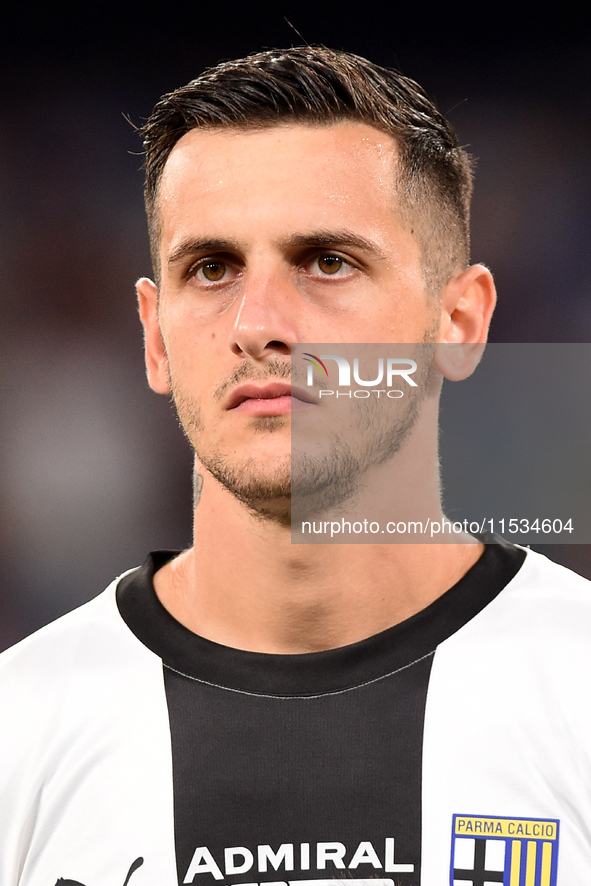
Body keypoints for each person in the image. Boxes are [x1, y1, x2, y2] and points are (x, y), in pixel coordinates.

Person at [1, 46, 590, 886]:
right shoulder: (19, 732)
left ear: (458, 320)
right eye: (210, 268)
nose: (259, 322)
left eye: (327, 261)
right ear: (153, 335)